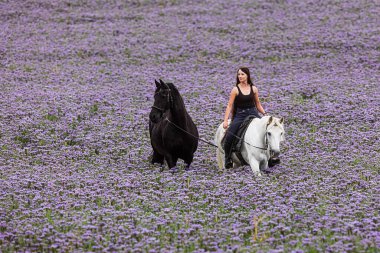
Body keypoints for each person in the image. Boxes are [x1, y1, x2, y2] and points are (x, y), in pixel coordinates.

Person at [223, 67, 266, 169]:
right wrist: (225, 120)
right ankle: (227, 158)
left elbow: (258, 104)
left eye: (242, 74)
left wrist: (265, 114)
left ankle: (272, 157)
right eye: (239, 74)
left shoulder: (254, 88)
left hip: (253, 113)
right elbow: (229, 105)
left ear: (247, 75)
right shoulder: (235, 90)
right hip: (240, 115)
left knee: (268, 131)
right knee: (229, 135)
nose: (240, 76)